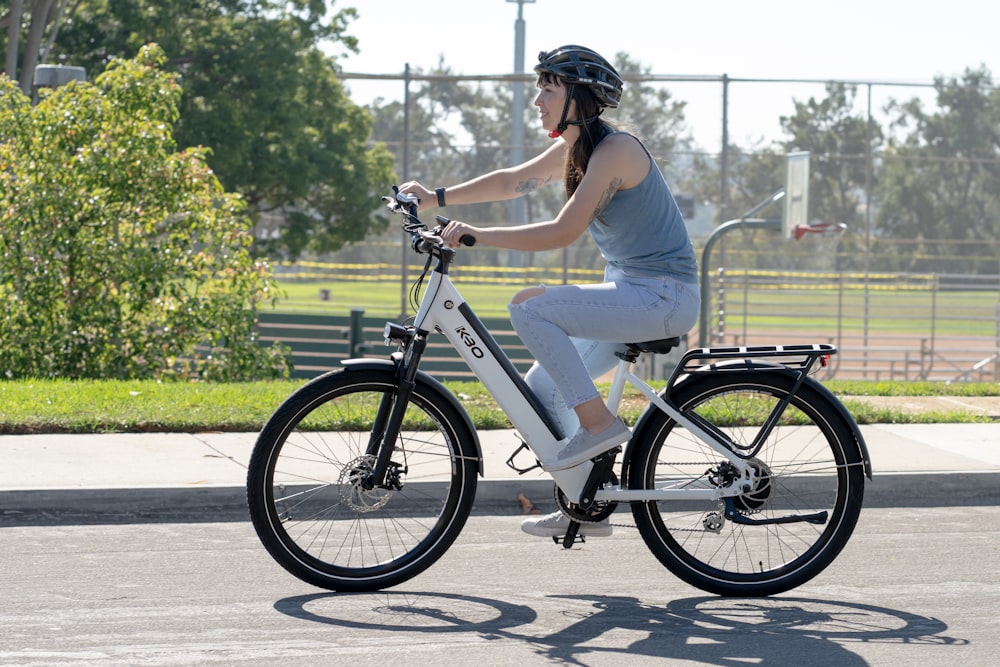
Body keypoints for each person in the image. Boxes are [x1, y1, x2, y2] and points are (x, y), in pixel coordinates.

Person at [399, 45, 700, 538]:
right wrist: (436, 198)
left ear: (578, 97)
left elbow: (563, 232)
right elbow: (514, 181)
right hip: (633, 293)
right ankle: (586, 503)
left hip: (662, 297)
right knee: (542, 389)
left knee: (530, 308)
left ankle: (599, 425)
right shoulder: (578, 146)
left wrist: (476, 234)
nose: (537, 100)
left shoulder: (616, 151)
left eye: (548, 88)